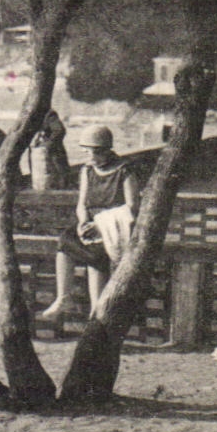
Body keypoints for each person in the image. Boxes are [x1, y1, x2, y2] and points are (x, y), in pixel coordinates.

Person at [40, 125, 141, 320]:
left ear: (104, 150)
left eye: (92, 152)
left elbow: (132, 206)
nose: (88, 156)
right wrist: (83, 222)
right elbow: (82, 203)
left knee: (95, 253)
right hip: (92, 224)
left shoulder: (124, 170)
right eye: (86, 152)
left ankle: (97, 311)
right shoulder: (87, 170)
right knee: (66, 240)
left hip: (114, 228)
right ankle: (63, 297)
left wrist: (101, 226)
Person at [31, 111, 74, 190]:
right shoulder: (33, 115)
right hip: (40, 153)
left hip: (54, 151)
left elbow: (59, 130)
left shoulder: (49, 115)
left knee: (60, 173)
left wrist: (48, 144)